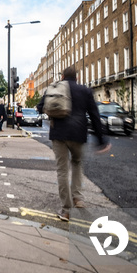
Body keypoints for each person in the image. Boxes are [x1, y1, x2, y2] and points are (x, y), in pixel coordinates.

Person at [37, 66, 111, 222]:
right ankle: (78, 197)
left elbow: (40, 107)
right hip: (78, 134)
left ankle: (66, 211)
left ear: (63, 76)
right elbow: (94, 115)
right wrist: (101, 139)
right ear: (76, 77)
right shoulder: (84, 90)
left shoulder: (55, 88)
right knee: (77, 163)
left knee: (62, 170)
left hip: (58, 134)